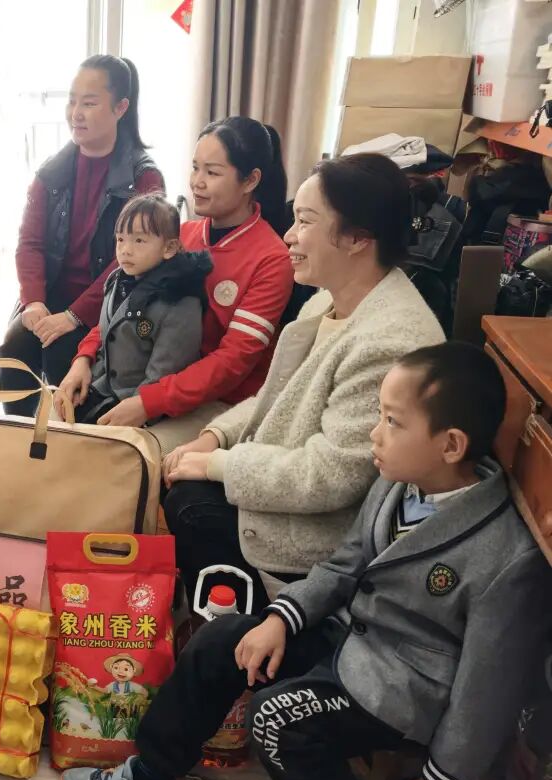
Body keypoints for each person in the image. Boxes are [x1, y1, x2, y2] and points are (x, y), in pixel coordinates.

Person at [60, 342, 552, 780]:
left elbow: (486, 690)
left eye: (392, 421)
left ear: (451, 445)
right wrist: (281, 619)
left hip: (400, 693)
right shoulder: (400, 482)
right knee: (225, 639)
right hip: (346, 640)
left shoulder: (506, 557)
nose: (375, 434)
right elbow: (346, 564)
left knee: (277, 723)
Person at [163, 153, 444, 611]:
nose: (289, 236)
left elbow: (331, 475)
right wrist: (216, 435)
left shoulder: (389, 342)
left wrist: (218, 464)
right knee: (180, 475)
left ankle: (254, 622)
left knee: (189, 502)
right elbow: (275, 396)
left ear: (357, 238)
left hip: (323, 535)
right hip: (282, 474)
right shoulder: (327, 300)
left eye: (305, 221)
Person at [72, 117, 293, 449]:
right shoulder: (180, 236)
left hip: (220, 403)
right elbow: (120, 305)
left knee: (126, 452)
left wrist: (150, 401)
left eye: (212, 173)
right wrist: (84, 359)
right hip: (146, 380)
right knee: (65, 427)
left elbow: (232, 362)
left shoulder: (271, 259)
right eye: (195, 168)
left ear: (250, 180)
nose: (197, 182)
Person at [0, 56, 164, 416]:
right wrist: (33, 302)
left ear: (121, 107)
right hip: (51, 296)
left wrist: (74, 316)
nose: (76, 113)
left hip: (110, 302)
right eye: (72, 101)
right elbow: (29, 243)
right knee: (14, 348)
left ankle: (70, 441)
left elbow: (131, 262)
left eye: (89, 103)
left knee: (62, 353)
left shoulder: (144, 179)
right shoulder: (52, 173)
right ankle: (18, 439)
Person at [58, 194, 210, 424]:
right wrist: (85, 377)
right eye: (120, 239)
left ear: (169, 248)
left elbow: (164, 372)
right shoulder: (117, 280)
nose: (125, 250)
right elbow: (105, 336)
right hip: (104, 390)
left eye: (139, 241)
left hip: (140, 404)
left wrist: (134, 410)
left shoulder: (180, 300)